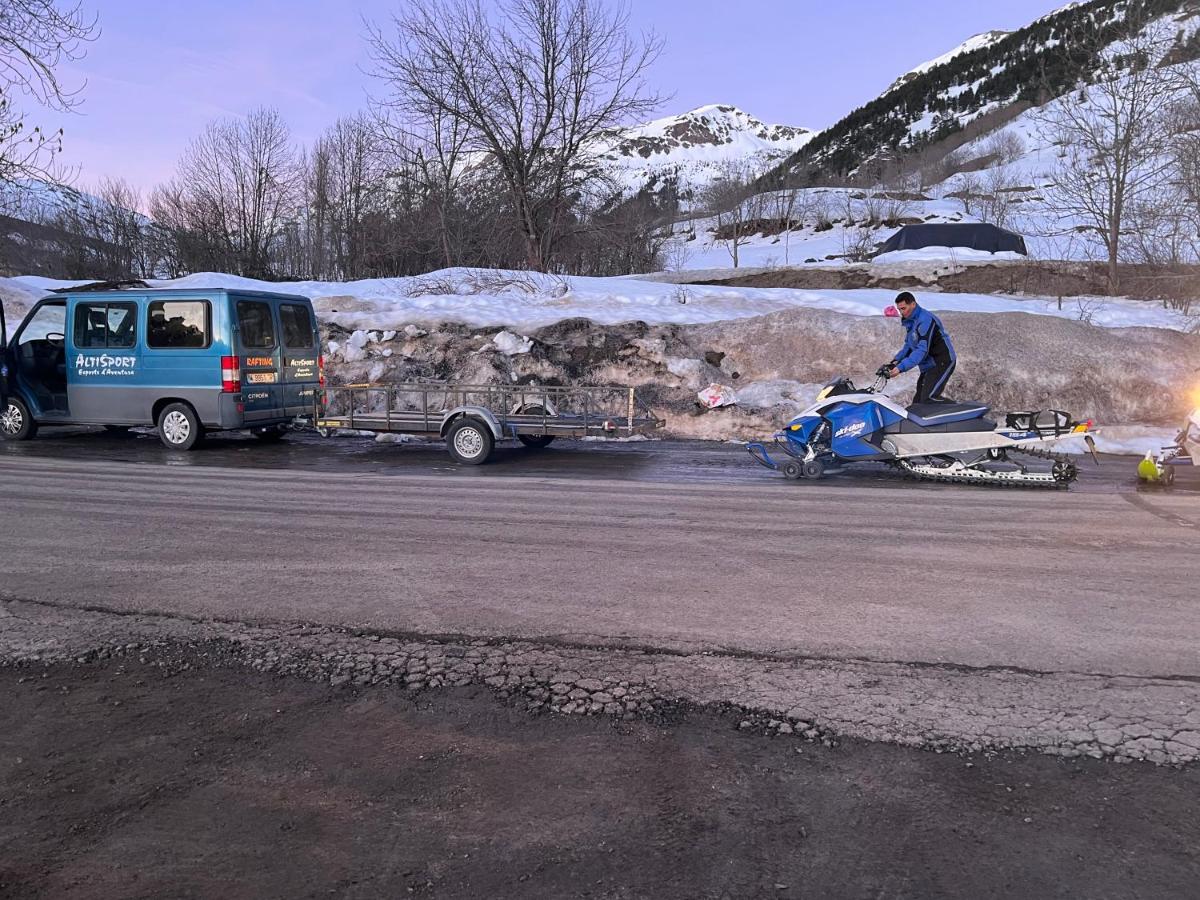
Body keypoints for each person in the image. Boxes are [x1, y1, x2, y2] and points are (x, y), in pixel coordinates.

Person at [885, 291, 956, 403]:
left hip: (942, 361)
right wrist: (894, 362)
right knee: (917, 404)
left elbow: (922, 350)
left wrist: (901, 368)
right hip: (929, 366)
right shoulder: (911, 321)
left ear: (913, 304)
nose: (901, 312)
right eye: (899, 309)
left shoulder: (925, 319)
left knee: (929, 399)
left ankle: (959, 413)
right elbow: (909, 346)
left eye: (903, 308)